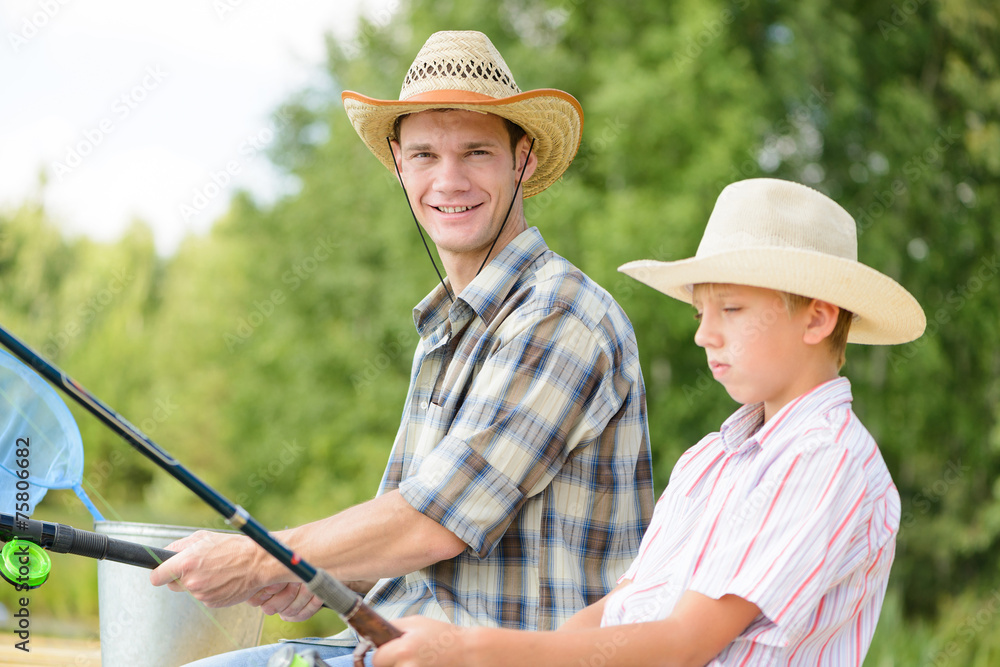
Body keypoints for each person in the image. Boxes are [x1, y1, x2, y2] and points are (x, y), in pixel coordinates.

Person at [150, 30, 654, 666]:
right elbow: (406, 546)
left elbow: (432, 523)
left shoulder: (559, 316)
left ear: (522, 159)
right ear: (397, 164)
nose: (449, 180)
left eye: (476, 152)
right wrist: (308, 573)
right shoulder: (446, 327)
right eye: (423, 156)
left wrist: (260, 554)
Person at [369, 178, 927, 667]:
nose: (704, 334)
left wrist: (472, 651)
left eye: (730, 310)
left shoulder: (825, 458)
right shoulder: (710, 460)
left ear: (818, 319)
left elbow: (684, 644)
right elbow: (618, 613)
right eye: (699, 312)